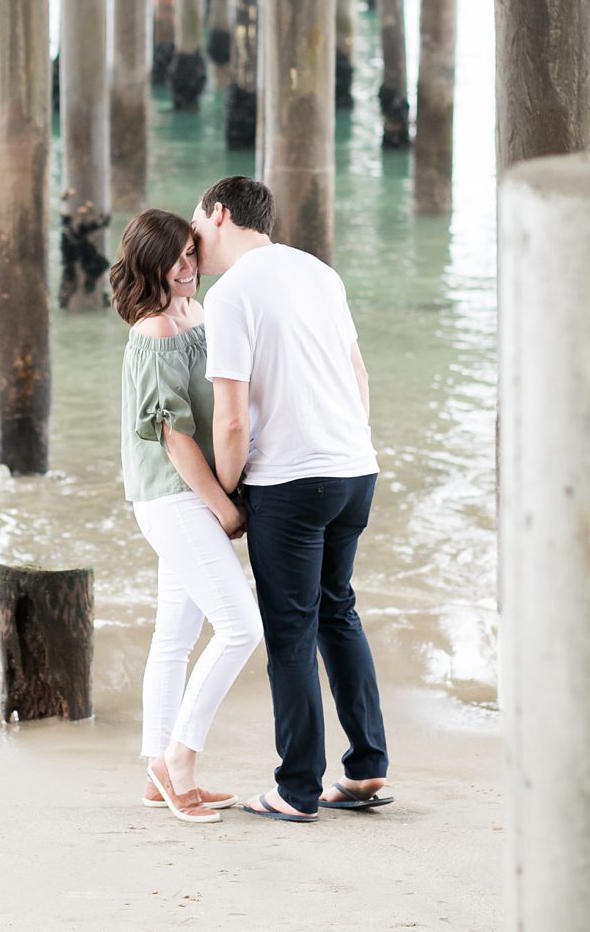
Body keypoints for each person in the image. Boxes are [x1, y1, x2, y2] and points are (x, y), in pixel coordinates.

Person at [191, 176, 392, 822]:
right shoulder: (319, 273)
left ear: (219, 213)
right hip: (355, 468)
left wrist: (226, 494)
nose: (194, 240)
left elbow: (229, 420)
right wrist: (345, 447)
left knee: (291, 632)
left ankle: (296, 787)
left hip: (291, 483)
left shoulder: (230, 295)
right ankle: (365, 767)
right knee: (339, 611)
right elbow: (359, 375)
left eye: (198, 224)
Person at [108, 209, 263, 824]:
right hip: (172, 498)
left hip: (184, 498)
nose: (187, 268)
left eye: (191, 254)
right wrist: (224, 507)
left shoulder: (195, 314)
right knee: (241, 628)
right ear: (150, 265)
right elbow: (174, 438)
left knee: (173, 640)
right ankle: (177, 765)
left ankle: (155, 770)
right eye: (174, 260)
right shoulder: (156, 331)